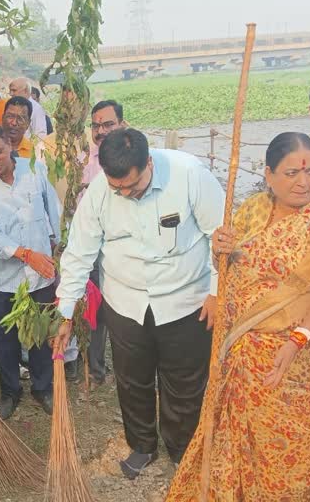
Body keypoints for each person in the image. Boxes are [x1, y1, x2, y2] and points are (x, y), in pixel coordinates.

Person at [168, 132, 310, 500]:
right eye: (291, 173)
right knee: (233, 440)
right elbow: (233, 265)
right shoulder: (252, 207)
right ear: (268, 174)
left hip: (298, 357)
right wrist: (219, 247)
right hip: (240, 353)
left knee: (290, 445)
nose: (304, 182)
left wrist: (298, 338)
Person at [52, 128, 224, 479]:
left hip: (186, 300)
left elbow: (220, 235)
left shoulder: (189, 174)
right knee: (132, 380)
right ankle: (142, 445)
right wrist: (65, 311)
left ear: (149, 162)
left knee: (184, 382)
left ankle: (181, 450)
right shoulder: (101, 190)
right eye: (119, 189)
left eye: (133, 186)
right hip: (126, 302)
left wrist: (217, 292)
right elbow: (80, 252)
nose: (126, 194)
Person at [0, 124, 60, 418]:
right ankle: (10, 391)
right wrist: (26, 255)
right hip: (2, 277)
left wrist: (56, 248)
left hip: (41, 273)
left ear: (10, 144)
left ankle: (42, 387)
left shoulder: (36, 169)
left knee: (39, 334)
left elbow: (53, 210)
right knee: (4, 339)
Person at [82, 100, 127, 385]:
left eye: (108, 124)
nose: (101, 131)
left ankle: (127, 368)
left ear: (122, 124)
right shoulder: (84, 161)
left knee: (123, 310)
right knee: (95, 309)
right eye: (96, 125)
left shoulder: (133, 155)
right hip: (95, 247)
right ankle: (96, 368)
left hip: (125, 249)